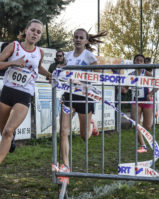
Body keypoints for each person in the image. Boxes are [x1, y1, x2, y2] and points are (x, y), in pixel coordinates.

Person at [0, 19, 52, 181]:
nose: (35, 34)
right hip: (7, 92)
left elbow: (38, 67)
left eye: (38, 32)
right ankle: (10, 141)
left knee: (8, 131)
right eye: (33, 30)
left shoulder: (39, 52)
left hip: (24, 94)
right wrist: (13, 62)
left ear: (40, 36)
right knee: (4, 133)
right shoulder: (14, 46)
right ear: (26, 30)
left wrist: (49, 74)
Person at [59, 28, 107, 172]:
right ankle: (66, 165)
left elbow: (98, 74)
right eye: (76, 37)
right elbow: (64, 73)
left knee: (85, 136)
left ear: (86, 41)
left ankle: (92, 125)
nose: (78, 39)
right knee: (63, 131)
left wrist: (84, 80)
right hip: (69, 96)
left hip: (85, 97)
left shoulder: (90, 57)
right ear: (73, 39)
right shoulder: (68, 56)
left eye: (81, 37)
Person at [121, 54, 157, 153]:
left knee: (148, 126)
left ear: (144, 63)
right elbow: (126, 89)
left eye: (141, 61)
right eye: (137, 60)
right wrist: (123, 90)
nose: (139, 62)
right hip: (135, 102)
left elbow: (158, 83)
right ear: (134, 62)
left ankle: (142, 136)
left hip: (146, 101)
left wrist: (150, 93)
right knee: (136, 124)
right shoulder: (131, 75)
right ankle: (143, 146)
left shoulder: (146, 73)